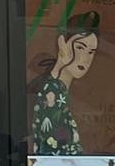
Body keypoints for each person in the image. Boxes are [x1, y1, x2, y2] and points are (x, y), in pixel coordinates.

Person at [28, 22, 99, 155]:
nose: (85, 59)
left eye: (91, 52)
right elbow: (51, 150)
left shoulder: (59, 90)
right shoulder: (52, 92)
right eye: (79, 48)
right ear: (62, 44)